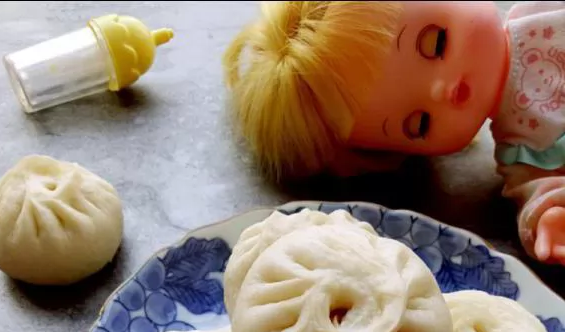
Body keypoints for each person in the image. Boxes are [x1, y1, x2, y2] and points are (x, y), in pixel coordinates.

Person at [224, 1, 565, 265]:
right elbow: (539, 188)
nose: (440, 88)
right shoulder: (524, 149)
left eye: (435, 42)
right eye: (419, 123)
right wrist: (548, 217)